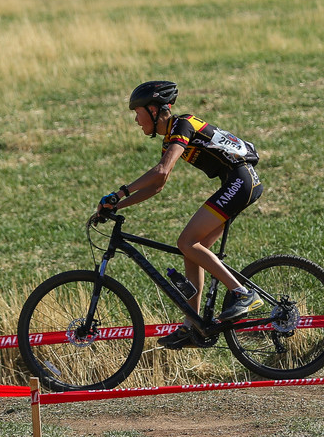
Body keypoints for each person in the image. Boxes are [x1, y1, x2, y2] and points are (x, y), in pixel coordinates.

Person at [94, 80, 265, 347]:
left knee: (186, 242)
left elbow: (162, 170)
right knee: (192, 250)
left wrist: (120, 193)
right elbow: (157, 186)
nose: (136, 120)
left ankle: (242, 293)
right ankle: (192, 325)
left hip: (240, 181)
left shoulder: (182, 125)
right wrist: (116, 206)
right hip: (236, 183)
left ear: (153, 110)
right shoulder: (171, 137)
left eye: (137, 113)